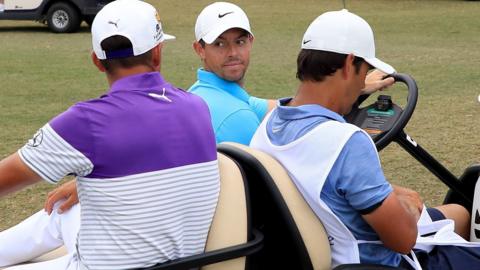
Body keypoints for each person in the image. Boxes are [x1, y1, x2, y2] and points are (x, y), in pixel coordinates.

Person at [250, 9, 479, 270]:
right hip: (373, 262)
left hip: (320, 252)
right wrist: (407, 207)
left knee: (458, 214)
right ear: (349, 64)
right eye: (365, 71)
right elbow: (404, 240)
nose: (363, 84)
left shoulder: (269, 127)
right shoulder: (346, 142)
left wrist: (392, 195)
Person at [0, 0, 220, 269]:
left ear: (97, 61)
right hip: (177, 261)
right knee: (62, 210)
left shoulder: (85, 122)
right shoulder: (198, 107)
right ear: (158, 52)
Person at [189, 1, 395, 145]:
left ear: (251, 42)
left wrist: (350, 86)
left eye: (240, 41)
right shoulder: (237, 116)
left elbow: (286, 108)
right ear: (199, 50)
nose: (233, 53)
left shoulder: (204, 93)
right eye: (219, 44)